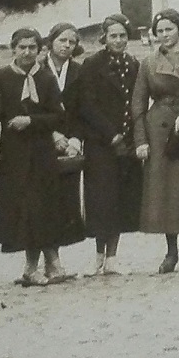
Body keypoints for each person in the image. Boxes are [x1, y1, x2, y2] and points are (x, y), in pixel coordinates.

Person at [0, 27, 72, 287]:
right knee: (23, 207)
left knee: (42, 205)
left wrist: (30, 120)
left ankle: (43, 265)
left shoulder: (46, 78)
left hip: (41, 151)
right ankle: (36, 266)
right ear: (13, 49)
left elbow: (58, 116)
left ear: (40, 50)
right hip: (14, 152)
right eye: (22, 47)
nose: (27, 52)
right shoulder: (2, 77)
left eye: (32, 48)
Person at [71, 15, 142, 275]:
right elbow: (87, 105)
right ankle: (98, 256)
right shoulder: (92, 64)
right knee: (101, 200)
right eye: (113, 36)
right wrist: (111, 134)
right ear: (104, 37)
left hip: (126, 142)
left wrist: (130, 135)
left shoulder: (133, 64)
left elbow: (135, 102)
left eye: (122, 35)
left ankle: (112, 257)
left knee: (119, 200)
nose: (118, 40)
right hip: (100, 142)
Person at [132, 11, 179, 274]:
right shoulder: (149, 63)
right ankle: (171, 252)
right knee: (166, 192)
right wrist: (141, 139)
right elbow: (138, 104)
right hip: (159, 130)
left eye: (169, 29)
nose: (164, 35)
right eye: (159, 31)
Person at [38, 24, 89, 281]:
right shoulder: (38, 69)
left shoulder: (79, 72)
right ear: (51, 41)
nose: (66, 45)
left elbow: (83, 109)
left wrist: (76, 138)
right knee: (43, 201)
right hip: (41, 140)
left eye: (71, 41)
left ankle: (54, 260)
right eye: (62, 40)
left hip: (70, 143)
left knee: (66, 202)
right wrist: (53, 134)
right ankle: (50, 262)